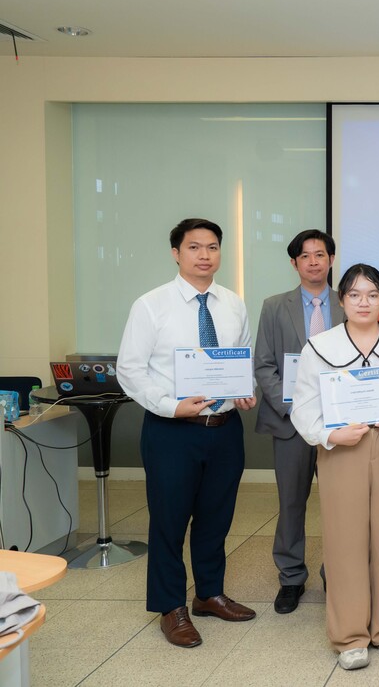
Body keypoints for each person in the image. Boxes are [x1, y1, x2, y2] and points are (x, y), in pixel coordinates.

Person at [117, 218, 258, 648]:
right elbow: (130, 370)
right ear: (176, 253)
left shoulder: (233, 303)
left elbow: (241, 358)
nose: (204, 255)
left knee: (216, 518)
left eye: (212, 247)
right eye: (194, 247)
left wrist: (245, 388)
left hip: (225, 428)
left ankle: (209, 594)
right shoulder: (151, 305)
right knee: (169, 520)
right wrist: (170, 405)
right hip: (171, 430)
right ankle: (170, 607)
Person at [290, 263, 379, 670]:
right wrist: (330, 435)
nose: (364, 302)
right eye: (354, 295)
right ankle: (349, 634)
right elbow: (303, 408)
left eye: (372, 294)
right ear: (342, 300)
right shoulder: (319, 347)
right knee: (344, 539)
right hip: (341, 448)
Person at [253, 229, 344, 615]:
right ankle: (291, 577)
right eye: (305, 256)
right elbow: (264, 365)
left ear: (331, 259)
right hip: (291, 423)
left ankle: (336, 573)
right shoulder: (274, 306)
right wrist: (293, 407)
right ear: (294, 263)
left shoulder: (348, 302)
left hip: (339, 424)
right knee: (291, 502)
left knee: (340, 504)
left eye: (320, 254)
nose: (313, 262)